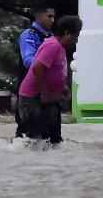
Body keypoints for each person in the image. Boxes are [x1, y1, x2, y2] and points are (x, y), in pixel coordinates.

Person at [17, 15, 82, 145]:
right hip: (35, 99)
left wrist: (62, 87)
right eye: (75, 37)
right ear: (67, 33)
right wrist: (45, 93)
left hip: (48, 100)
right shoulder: (52, 45)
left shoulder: (59, 47)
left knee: (54, 141)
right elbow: (37, 68)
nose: (76, 41)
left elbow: (53, 70)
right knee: (36, 141)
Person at [14, 6, 55, 137]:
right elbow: (28, 61)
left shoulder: (52, 38)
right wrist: (47, 65)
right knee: (27, 133)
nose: (52, 20)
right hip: (29, 93)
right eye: (49, 16)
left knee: (51, 133)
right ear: (39, 15)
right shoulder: (29, 35)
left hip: (47, 91)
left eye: (54, 17)